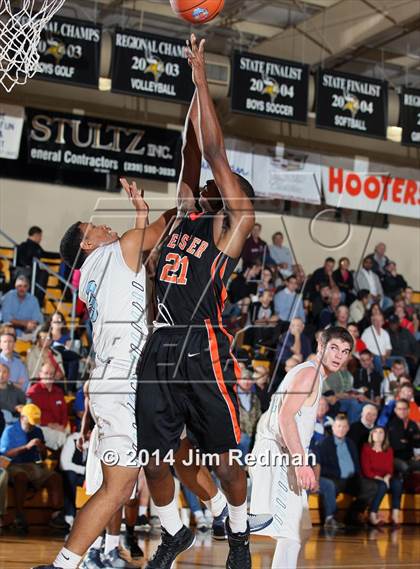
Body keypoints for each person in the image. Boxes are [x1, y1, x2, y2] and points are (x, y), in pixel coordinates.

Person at [134, 34, 259, 569]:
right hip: (159, 346)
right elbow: (191, 150)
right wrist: (189, 82)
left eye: (219, 185)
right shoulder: (186, 215)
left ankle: (239, 533)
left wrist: (205, 77)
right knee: (153, 461)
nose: (207, 183)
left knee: (226, 462)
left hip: (202, 347)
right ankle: (172, 533)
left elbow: (213, 152)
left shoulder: (233, 226)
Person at [250, 327, 354, 568]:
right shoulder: (309, 374)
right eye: (334, 348)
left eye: (345, 351)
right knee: (289, 531)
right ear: (321, 346)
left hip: (282, 452)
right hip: (277, 453)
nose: (339, 355)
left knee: (296, 530)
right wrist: (301, 463)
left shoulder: (313, 375)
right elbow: (285, 418)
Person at [0, 403, 64, 532]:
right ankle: (19, 515)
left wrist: (42, 449)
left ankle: (56, 515)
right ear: (22, 417)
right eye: (31, 420)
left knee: (55, 477)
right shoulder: (10, 431)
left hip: (33, 465)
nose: (32, 423)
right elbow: (4, 455)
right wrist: (26, 447)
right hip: (15, 465)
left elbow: (44, 456)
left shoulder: (37, 430)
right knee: (21, 477)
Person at [316, 414, 377, 529]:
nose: (341, 429)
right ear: (333, 428)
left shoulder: (350, 443)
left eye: (344, 427)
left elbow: (356, 463)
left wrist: (358, 476)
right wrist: (336, 474)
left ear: (348, 428)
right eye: (339, 426)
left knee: (371, 486)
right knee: (330, 486)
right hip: (335, 479)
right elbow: (321, 466)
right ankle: (330, 519)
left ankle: (352, 515)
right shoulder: (325, 444)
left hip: (352, 480)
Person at [361, 426, 403, 527]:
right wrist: (381, 479)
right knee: (382, 486)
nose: (378, 435)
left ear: (385, 436)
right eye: (376, 432)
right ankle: (372, 514)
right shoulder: (366, 448)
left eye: (381, 433)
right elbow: (366, 470)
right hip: (371, 477)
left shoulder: (388, 450)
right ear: (372, 434)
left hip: (385, 477)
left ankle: (395, 515)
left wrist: (387, 477)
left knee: (397, 483)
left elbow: (390, 468)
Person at [27, 362, 68, 450]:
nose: (49, 376)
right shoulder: (33, 392)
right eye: (46, 373)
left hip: (59, 427)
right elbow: (32, 416)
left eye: (51, 374)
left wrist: (62, 426)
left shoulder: (58, 391)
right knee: (66, 440)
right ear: (40, 374)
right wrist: (50, 424)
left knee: (74, 438)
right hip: (41, 427)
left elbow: (64, 412)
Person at [387, 399, 420, 476]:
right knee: (405, 467)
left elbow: (417, 443)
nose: (402, 411)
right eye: (399, 409)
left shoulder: (413, 424)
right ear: (395, 410)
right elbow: (397, 445)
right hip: (395, 458)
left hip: (411, 457)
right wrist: (409, 441)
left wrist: (418, 455)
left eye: (404, 409)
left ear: (408, 410)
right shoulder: (390, 424)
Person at [237, 368, 262, 460]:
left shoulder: (255, 398)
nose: (247, 382)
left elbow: (258, 415)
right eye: (244, 379)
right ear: (238, 381)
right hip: (237, 433)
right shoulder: (232, 396)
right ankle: (241, 467)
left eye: (249, 379)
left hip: (253, 432)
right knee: (244, 440)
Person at [0, 362, 27, 427]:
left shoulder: (16, 390)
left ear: (9, 375)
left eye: (4, 372)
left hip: (14, 424)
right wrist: (14, 408)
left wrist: (23, 408)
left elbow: (26, 402)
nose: (1, 375)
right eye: (0, 371)